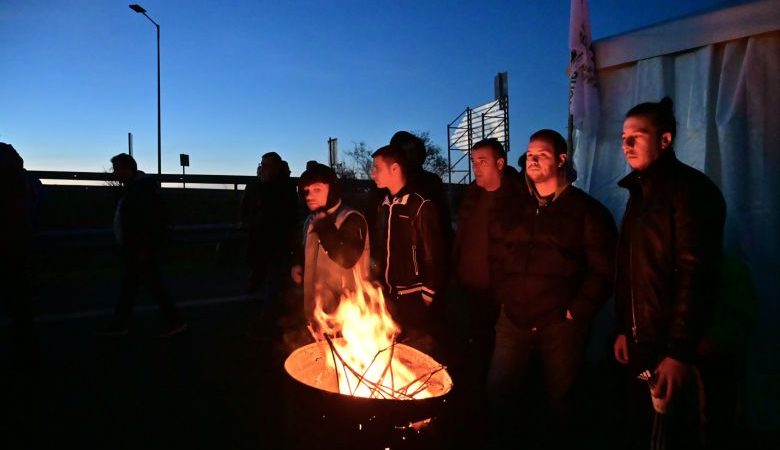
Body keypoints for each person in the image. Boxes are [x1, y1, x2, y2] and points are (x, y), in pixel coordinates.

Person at [487, 129, 617, 449]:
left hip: (560, 325)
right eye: (530, 154)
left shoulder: (587, 212)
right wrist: (505, 297)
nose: (532, 160)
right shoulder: (514, 208)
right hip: (513, 320)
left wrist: (577, 310)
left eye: (541, 154)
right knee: (499, 394)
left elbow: (605, 269)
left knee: (562, 398)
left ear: (561, 160)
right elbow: (497, 255)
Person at [613, 97, 726, 449]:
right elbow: (632, 270)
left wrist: (680, 351)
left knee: (674, 435)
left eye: (638, 135)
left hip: (672, 348)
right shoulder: (639, 193)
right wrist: (623, 328)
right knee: (644, 431)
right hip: (642, 343)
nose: (627, 144)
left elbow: (697, 275)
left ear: (665, 139)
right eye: (624, 136)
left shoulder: (691, 191)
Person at [370, 143, 447, 355]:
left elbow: (434, 254)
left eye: (377, 168)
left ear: (395, 169)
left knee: (413, 353)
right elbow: (380, 249)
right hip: (388, 295)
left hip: (413, 298)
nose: (372, 173)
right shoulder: (384, 205)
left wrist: (427, 295)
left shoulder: (420, 205)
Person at [98, 153, 185, 338]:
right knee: (139, 287)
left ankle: (174, 321)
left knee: (143, 287)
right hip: (137, 249)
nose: (115, 173)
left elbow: (146, 222)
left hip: (139, 250)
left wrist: (143, 248)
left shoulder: (139, 192)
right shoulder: (136, 189)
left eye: (117, 169)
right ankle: (173, 321)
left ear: (127, 169)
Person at [290, 163, 370, 328]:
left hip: (346, 310)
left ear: (332, 189)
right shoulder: (312, 219)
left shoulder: (351, 218)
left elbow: (347, 259)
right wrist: (299, 264)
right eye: (306, 191)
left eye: (317, 189)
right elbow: (306, 246)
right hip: (318, 306)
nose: (310, 196)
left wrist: (324, 225)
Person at [0, 143, 41, 374]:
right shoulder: (21, 178)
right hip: (18, 244)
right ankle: (28, 356)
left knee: (17, 305)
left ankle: (26, 357)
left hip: (8, 246)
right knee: (20, 306)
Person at [240, 152, 298, 298]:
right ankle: (257, 293)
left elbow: (290, 213)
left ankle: (270, 311)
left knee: (274, 276)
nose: (263, 168)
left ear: (276, 167)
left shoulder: (285, 187)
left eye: (267, 165)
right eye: (262, 164)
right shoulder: (256, 185)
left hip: (277, 240)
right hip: (259, 236)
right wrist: (246, 219)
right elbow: (247, 205)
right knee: (261, 269)